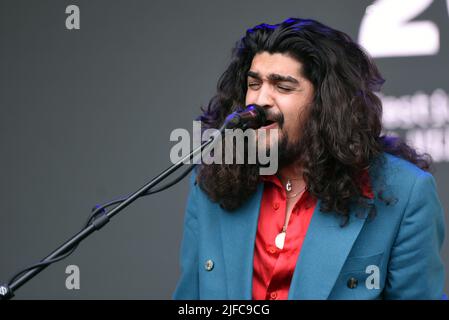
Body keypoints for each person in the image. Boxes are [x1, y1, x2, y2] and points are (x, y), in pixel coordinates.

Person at [173, 18, 446, 300]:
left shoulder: (406, 193)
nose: (260, 100)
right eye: (254, 83)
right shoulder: (212, 177)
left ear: (327, 103)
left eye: (283, 87)